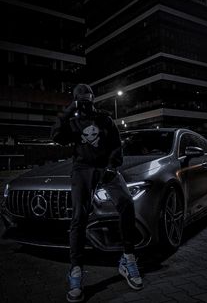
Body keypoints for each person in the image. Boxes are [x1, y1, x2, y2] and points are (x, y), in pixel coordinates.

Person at [51, 84, 143, 302]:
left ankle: (128, 258)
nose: (85, 104)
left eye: (87, 99)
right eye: (80, 100)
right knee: (78, 217)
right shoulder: (72, 123)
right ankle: (76, 271)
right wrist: (69, 109)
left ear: (93, 99)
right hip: (82, 169)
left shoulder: (104, 119)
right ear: (75, 101)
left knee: (126, 203)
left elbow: (115, 146)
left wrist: (112, 166)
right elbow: (56, 135)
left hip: (105, 168)